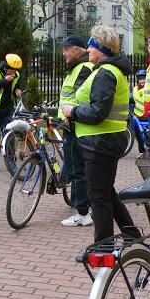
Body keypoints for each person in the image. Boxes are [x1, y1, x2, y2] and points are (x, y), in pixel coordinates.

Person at [61, 25, 141, 243]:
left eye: (91, 45)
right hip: (104, 140)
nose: (87, 49)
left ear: (102, 48)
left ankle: (103, 248)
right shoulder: (107, 70)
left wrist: (73, 112)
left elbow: (98, 112)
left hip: (100, 143)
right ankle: (132, 236)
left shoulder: (106, 73)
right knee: (106, 192)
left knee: (98, 197)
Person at [57, 35, 94, 227]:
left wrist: (71, 117)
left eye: (66, 49)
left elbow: (83, 98)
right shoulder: (76, 68)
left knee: (78, 169)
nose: (63, 52)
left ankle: (82, 213)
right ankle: (85, 206)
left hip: (75, 126)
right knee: (76, 168)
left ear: (77, 50)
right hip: (70, 124)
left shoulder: (83, 68)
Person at [130, 69, 147, 153]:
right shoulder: (135, 89)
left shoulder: (149, 88)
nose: (142, 81)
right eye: (140, 79)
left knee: (148, 134)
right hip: (138, 115)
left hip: (147, 114)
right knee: (138, 134)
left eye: (144, 79)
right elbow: (133, 99)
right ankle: (142, 151)